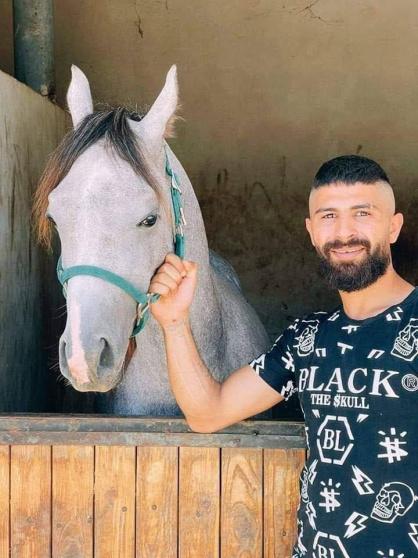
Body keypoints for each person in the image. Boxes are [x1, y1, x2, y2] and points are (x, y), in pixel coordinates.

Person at [149, 155, 417, 557]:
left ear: (393, 227)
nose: (344, 232)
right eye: (328, 216)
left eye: (362, 213)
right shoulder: (307, 339)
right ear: (312, 232)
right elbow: (208, 413)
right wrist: (173, 322)